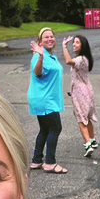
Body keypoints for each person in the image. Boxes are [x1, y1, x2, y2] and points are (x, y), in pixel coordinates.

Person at [27, 27, 68, 173]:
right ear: (40, 42)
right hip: (45, 99)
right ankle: (50, 162)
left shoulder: (51, 57)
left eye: (51, 36)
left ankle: (37, 160)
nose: (50, 39)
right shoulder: (39, 57)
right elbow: (37, 73)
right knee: (56, 128)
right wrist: (40, 56)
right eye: (46, 37)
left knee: (45, 129)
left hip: (46, 98)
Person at [62, 35, 98, 157]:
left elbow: (68, 61)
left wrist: (64, 47)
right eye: (74, 42)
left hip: (80, 93)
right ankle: (92, 140)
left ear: (83, 45)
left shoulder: (81, 59)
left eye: (77, 42)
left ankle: (88, 144)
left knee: (81, 119)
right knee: (87, 117)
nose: (74, 44)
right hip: (86, 91)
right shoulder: (85, 58)